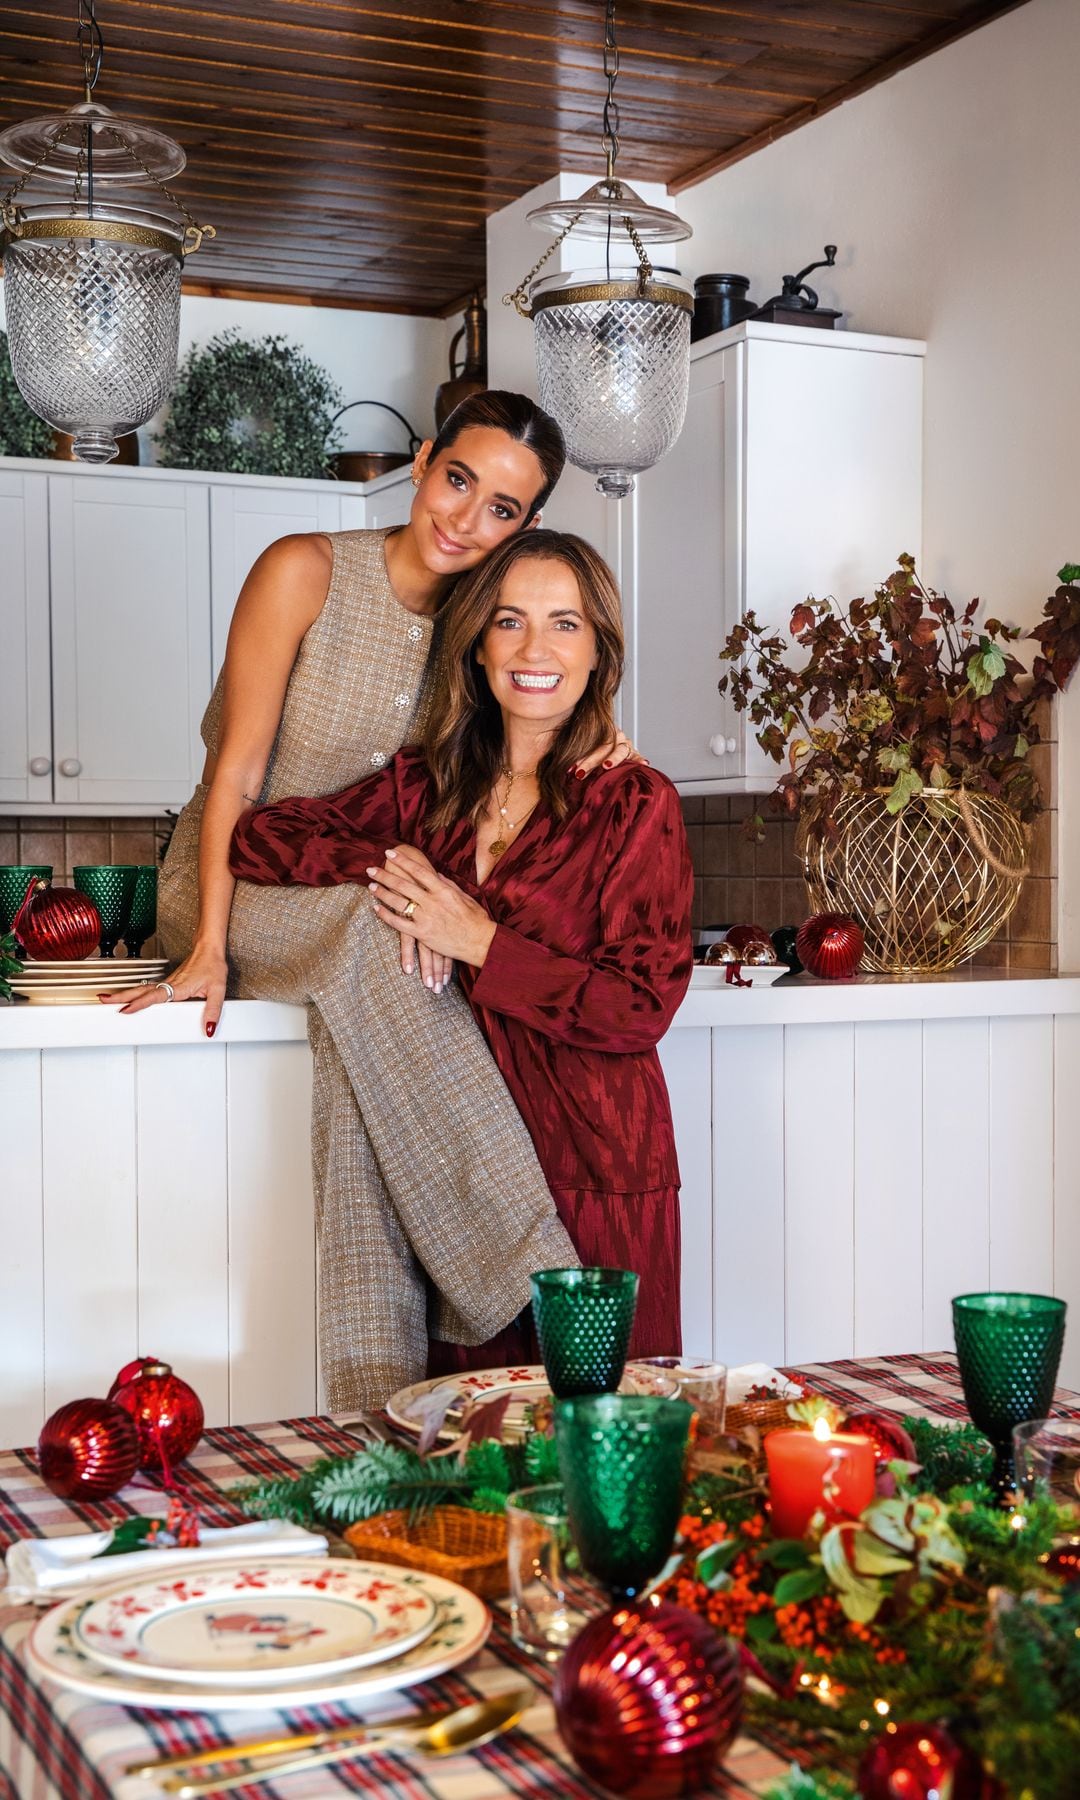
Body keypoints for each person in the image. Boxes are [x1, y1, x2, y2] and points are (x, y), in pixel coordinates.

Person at [104, 393, 628, 1409]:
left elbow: (537, 707)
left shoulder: (482, 632)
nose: (467, 520)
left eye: (504, 510)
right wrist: (207, 942)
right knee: (372, 925)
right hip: (232, 876)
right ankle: (531, 1275)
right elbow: (238, 775)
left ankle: (373, 1398)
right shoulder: (305, 570)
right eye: (459, 480)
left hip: (359, 902)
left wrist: (604, 740)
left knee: (354, 1066)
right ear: (425, 459)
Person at [229, 531, 694, 1362]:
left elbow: (640, 1006)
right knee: (463, 1449)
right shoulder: (430, 786)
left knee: (598, 1445)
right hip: (451, 1168)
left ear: (599, 653)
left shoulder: (634, 802)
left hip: (592, 1164)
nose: (534, 649)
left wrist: (479, 939)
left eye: (565, 624)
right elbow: (263, 837)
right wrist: (392, 866)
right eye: (509, 622)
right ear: (478, 647)